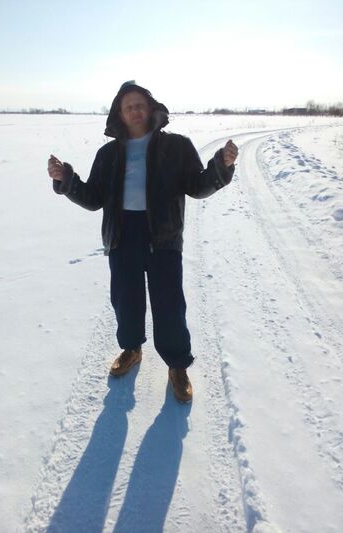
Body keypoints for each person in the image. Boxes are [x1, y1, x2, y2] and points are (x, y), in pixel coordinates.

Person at [47, 81, 238, 403]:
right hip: (122, 235)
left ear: (151, 109)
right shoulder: (108, 153)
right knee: (126, 299)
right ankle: (131, 349)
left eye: (139, 104)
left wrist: (222, 166)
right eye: (128, 107)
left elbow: (197, 186)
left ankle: (177, 365)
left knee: (169, 303)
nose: (134, 110)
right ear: (119, 114)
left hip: (163, 236)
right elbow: (93, 198)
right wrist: (66, 180)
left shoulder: (177, 146)